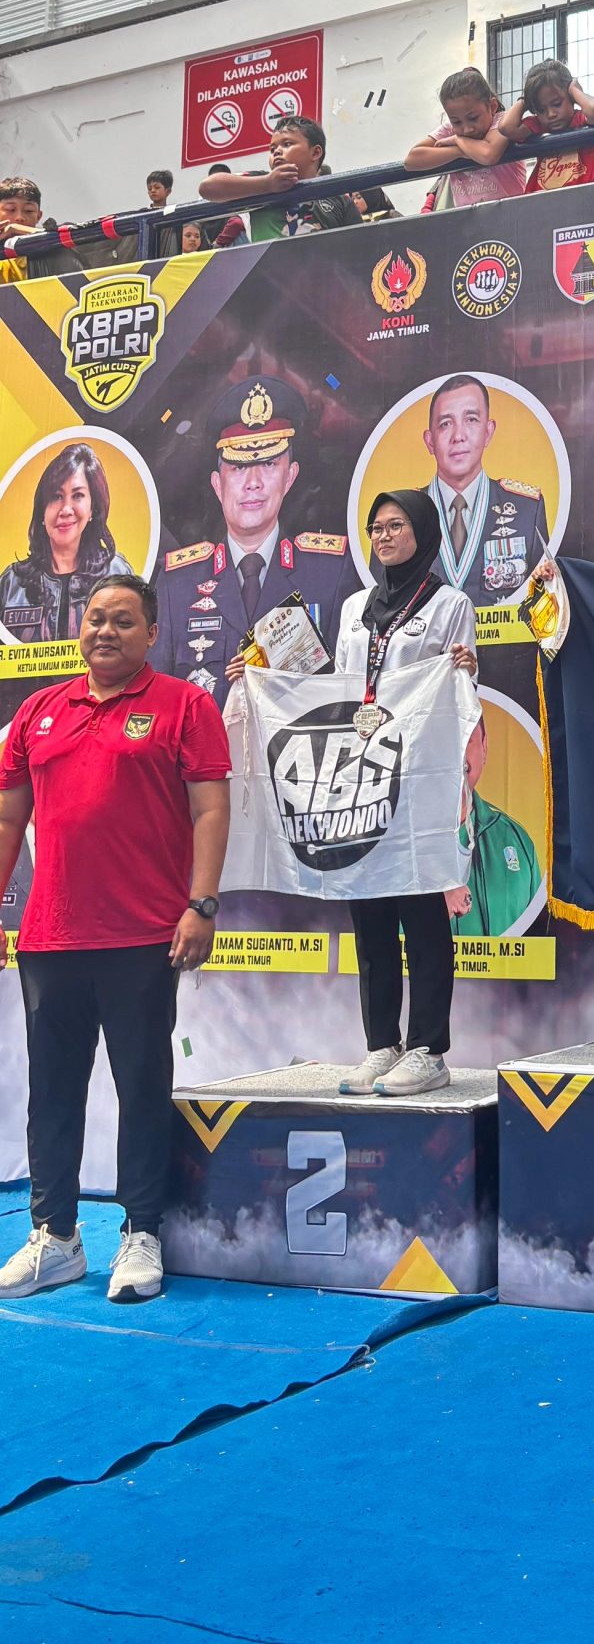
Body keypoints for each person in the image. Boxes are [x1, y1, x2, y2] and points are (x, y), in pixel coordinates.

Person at [0, 575, 230, 1303]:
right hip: (50, 937)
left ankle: (141, 1233)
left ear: (152, 633)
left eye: (123, 621)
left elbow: (211, 810)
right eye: (96, 618)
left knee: (141, 1086)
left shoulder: (186, 706)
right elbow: (7, 819)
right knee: (52, 1092)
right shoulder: (38, 711)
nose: (105, 630)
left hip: (144, 936)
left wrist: (202, 904)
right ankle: (56, 1238)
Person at [313, 492, 478, 1098]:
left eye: (396, 525)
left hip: (420, 777)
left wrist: (467, 669)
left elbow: (460, 691)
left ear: (423, 532)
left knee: (423, 914)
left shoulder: (450, 604)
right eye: (376, 527)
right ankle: (381, 1043)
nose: (384, 536)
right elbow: (340, 686)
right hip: (362, 776)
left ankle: (429, 1049)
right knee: (370, 914)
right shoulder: (354, 607)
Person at [153, 377, 350, 694]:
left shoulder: (329, 572)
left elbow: (347, 684)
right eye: (239, 467)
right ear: (217, 484)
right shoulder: (178, 582)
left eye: (269, 463)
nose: (253, 482)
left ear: (290, 477)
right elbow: (160, 694)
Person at [422, 374, 549, 608]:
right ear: (430, 441)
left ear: (488, 432)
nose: (458, 436)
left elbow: (544, 602)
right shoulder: (401, 517)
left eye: (471, 420)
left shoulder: (527, 510)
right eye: (445, 424)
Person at [0, 443, 133, 644]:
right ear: (42, 510)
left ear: (92, 508)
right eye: (56, 497)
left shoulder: (117, 574)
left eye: (78, 496)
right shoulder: (11, 583)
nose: (66, 509)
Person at [447, 705, 543, 939]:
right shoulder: (393, 846)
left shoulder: (517, 841)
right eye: (443, 740)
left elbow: (538, 939)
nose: (455, 753)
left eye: (466, 739)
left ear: (484, 748)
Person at [196, 118, 358, 239]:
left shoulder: (338, 198)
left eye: (287, 144)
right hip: (270, 274)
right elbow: (207, 187)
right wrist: (266, 184)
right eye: (272, 149)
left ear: (315, 153)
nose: (277, 152)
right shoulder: (258, 183)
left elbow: (361, 248)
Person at [403, 68, 524, 209]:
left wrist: (458, 140)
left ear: (492, 106)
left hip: (512, 214)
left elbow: (488, 154)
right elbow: (411, 160)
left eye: (473, 118)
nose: (467, 129)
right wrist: (458, 151)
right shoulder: (450, 129)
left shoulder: (502, 122)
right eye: (456, 122)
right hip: (468, 219)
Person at [493, 60, 594, 193]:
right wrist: (525, 100)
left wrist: (575, 90)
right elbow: (506, 128)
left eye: (557, 104)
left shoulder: (581, 120)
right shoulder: (539, 126)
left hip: (580, 198)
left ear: (571, 98)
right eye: (541, 110)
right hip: (540, 200)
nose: (551, 114)